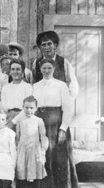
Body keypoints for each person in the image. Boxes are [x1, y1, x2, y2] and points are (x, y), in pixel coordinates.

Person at [32, 58, 76, 187]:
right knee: (42, 155)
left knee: (57, 158)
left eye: (49, 68)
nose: (46, 71)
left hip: (56, 124)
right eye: (44, 68)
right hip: (40, 123)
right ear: (40, 69)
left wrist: (63, 128)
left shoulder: (61, 85)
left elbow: (67, 108)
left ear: (54, 69)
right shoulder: (35, 86)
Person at [32, 31, 78, 98]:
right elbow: (33, 83)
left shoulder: (64, 62)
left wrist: (68, 101)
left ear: (55, 45)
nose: (47, 47)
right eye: (44, 45)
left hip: (58, 104)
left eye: (49, 44)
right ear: (40, 47)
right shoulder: (36, 63)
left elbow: (73, 85)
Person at [15, 96, 48, 188]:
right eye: (26, 107)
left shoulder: (39, 121)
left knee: (34, 174)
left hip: (35, 151)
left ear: (36, 108)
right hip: (22, 150)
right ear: (23, 107)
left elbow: (43, 137)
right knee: (21, 173)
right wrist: (17, 149)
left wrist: (43, 151)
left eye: (31, 108)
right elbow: (18, 137)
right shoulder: (20, 120)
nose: (29, 110)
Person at [0, 59, 32, 129]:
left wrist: (13, 121)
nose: (15, 72)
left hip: (23, 118)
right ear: (10, 71)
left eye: (18, 69)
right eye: (13, 69)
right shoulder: (6, 88)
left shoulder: (28, 87)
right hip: (8, 118)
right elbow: (3, 107)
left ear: (22, 71)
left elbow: (27, 107)